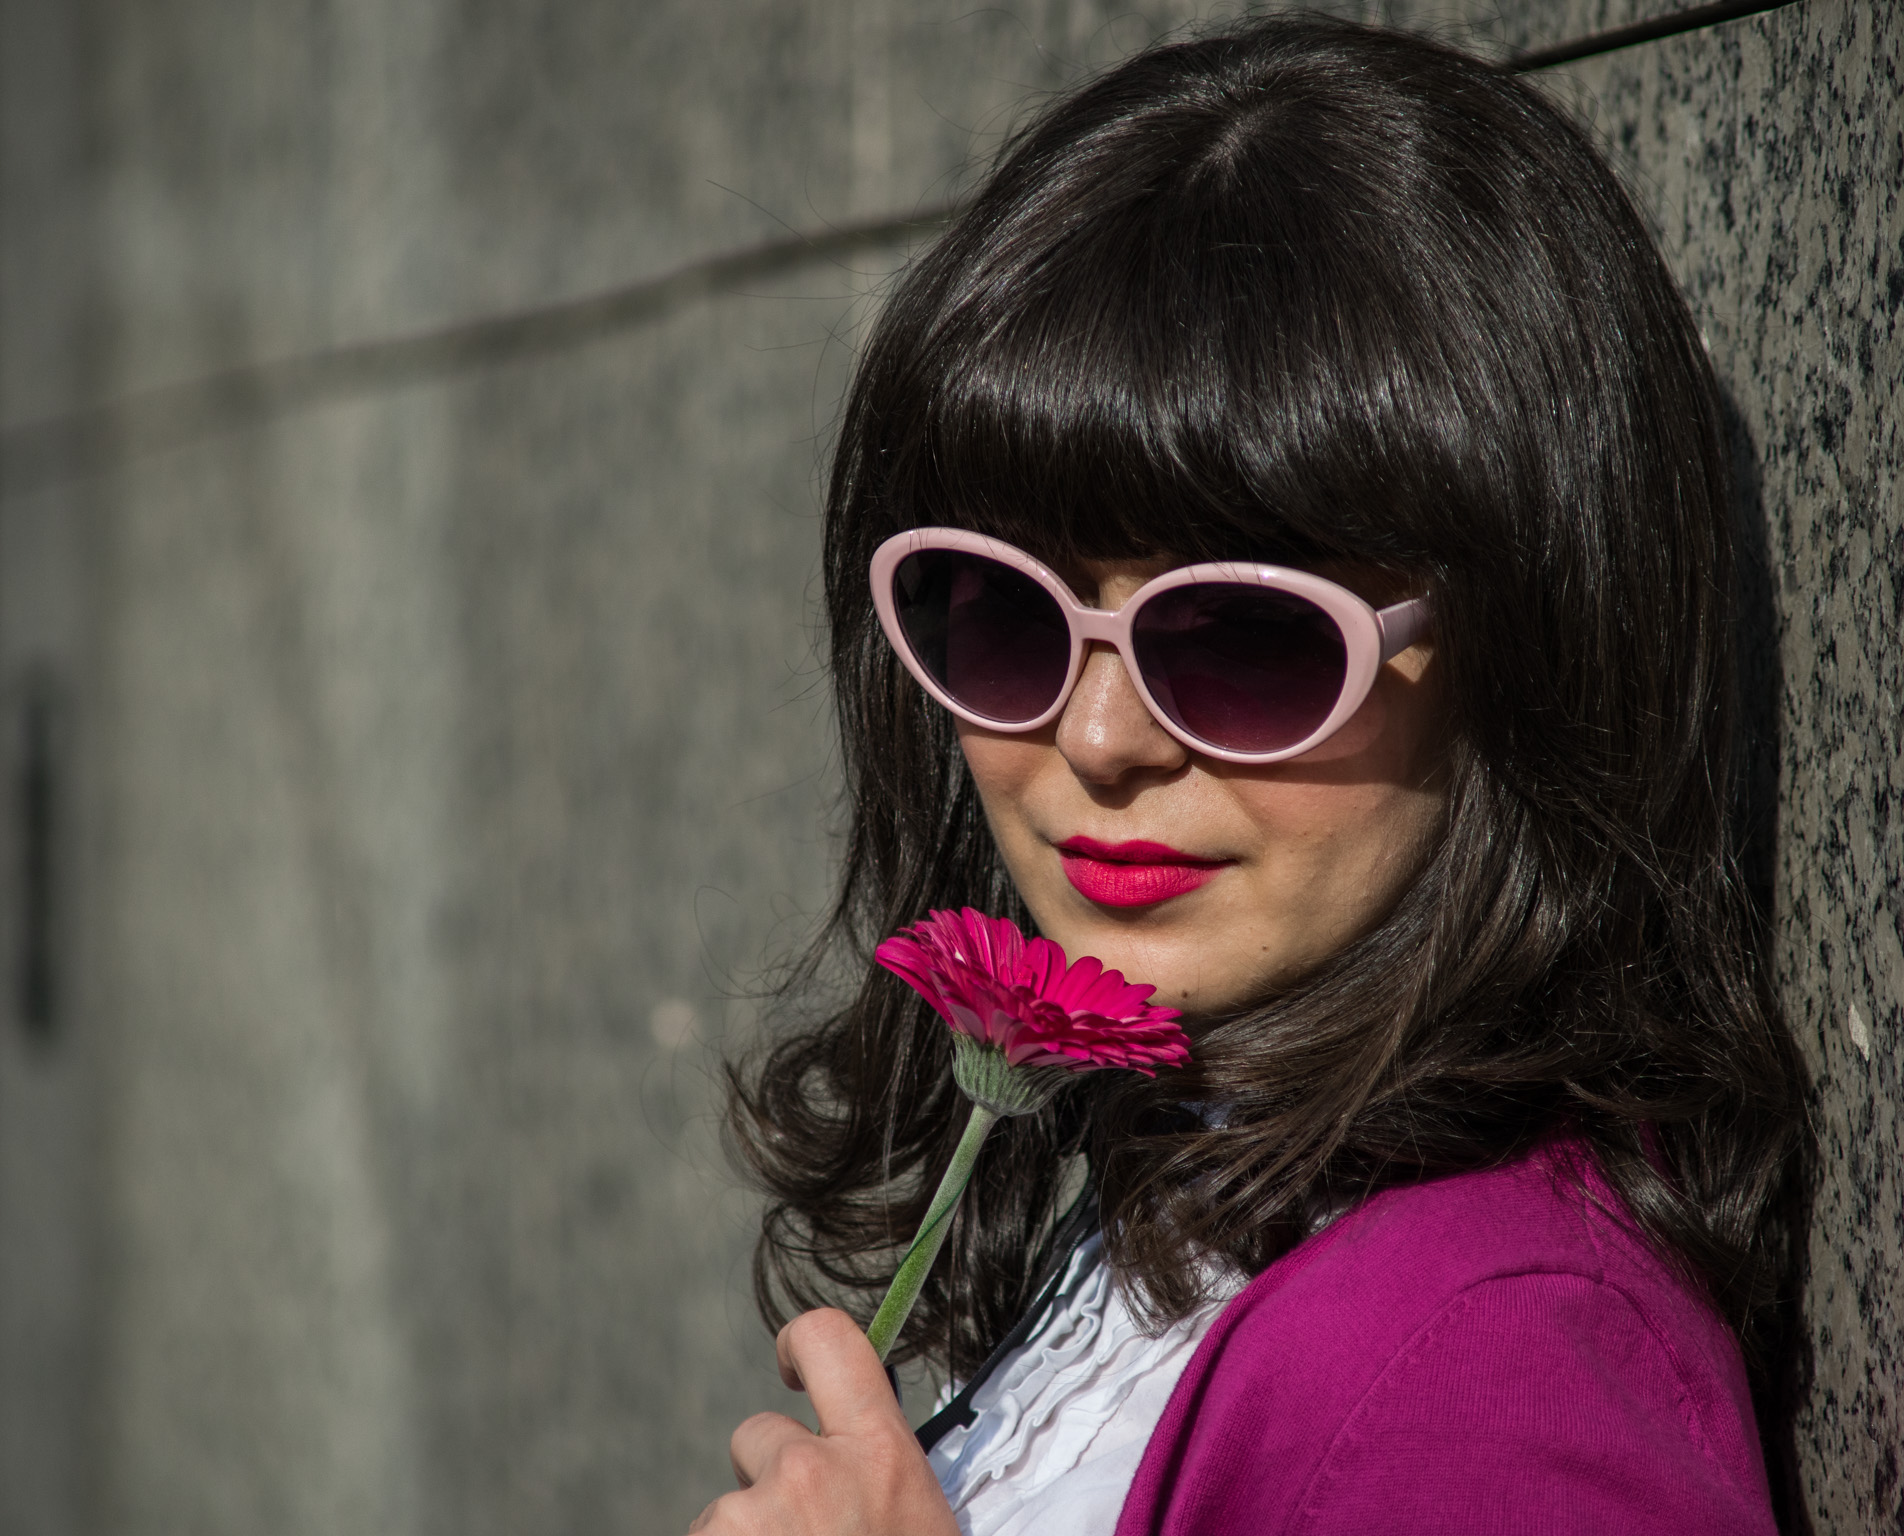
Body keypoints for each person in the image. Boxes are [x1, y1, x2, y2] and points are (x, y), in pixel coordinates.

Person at [703, 14, 1806, 1535]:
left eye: (1244, 640)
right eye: (1007, 616)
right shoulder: (1149, 1205)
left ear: (1525, 660)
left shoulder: (1488, 1361)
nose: (1100, 741)